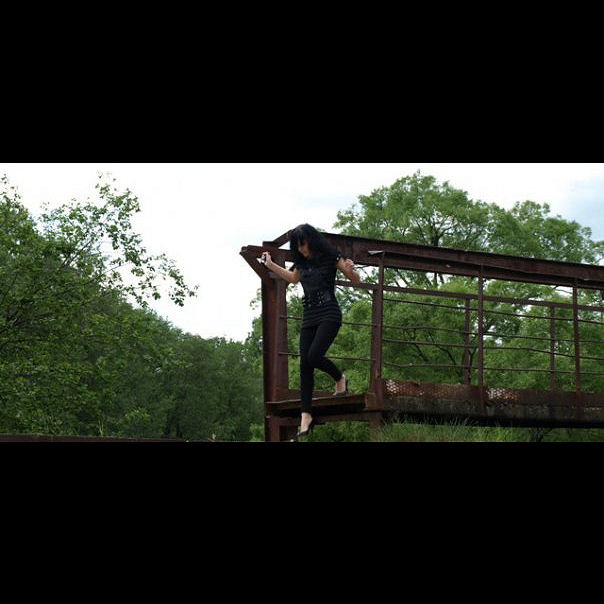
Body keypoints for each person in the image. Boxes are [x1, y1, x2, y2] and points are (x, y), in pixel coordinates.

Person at [261, 223, 361, 440]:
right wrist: (270, 265)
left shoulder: (331, 256)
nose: (302, 249)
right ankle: (306, 416)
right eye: (298, 247)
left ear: (312, 241)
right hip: (309, 315)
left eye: (304, 245)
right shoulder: (301, 262)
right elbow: (292, 278)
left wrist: (352, 270)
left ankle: (340, 378)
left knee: (314, 355)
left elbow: (355, 280)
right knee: (305, 365)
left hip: (329, 312)